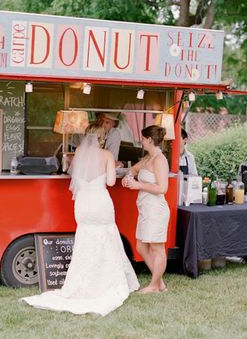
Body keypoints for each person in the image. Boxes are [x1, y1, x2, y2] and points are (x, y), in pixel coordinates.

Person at [21, 123, 139, 316]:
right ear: (102, 138)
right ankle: (106, 282)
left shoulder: (78, 155)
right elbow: (110, 182)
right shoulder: (107, 155)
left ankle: (83, 282)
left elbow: (71, 175)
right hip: (100, 202)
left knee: (86, 239)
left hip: (83, 203)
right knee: (106, 237)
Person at [122, 125, 169, 293]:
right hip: (145, 209)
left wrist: (138, 185)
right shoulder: (148, 158)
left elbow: (162, 188)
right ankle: (159, 282)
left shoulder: (159, 160)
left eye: (142, 138)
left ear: (149, 139)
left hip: (156, 209)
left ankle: (154, 285)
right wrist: (128, 177)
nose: (140, 141)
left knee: (157, 248)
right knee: (141, 247)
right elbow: (134, 169)